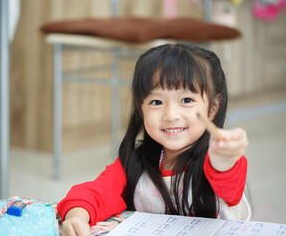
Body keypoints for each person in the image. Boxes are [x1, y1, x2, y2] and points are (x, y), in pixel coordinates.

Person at [57, 43, 251, 236]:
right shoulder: (134, 161)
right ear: (141, 109)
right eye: (156, 102)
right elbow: (96, 192)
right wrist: (77, 217)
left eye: (187, 100)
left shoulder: (220, 161)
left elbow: (228, 180)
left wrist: (223, 160)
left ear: (213, 107)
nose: (171, 115)